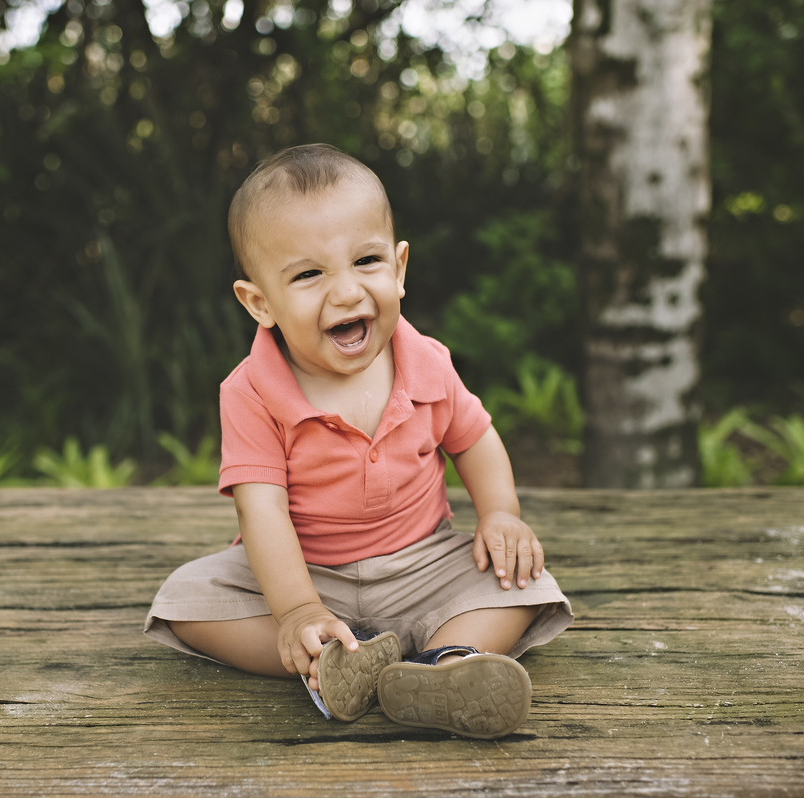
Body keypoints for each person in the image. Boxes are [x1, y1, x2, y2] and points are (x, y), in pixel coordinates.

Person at [145, 143, 572, 739]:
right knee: (186, 600)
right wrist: (295, 609)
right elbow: (261, 511)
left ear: (399, 269)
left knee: (523, 584)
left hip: (422, 560)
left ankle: (442, 667)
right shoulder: (250, 392)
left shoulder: (425, 361)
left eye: (365, 261)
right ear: (259, 302)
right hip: (303, 570)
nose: (346, 292)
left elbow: (475, 439)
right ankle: (335, 657)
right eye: (310, 274)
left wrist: (500, 514)